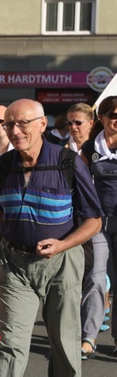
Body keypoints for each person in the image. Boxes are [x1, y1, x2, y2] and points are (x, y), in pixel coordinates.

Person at [0, 100, 102, 377]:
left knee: (64, 346)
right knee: (11, 347)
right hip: (14, 264)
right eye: (9, 125)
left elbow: (93, 221)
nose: (15, 131)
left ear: (42, 124)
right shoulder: (3, 165)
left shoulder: (68, 162)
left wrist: (62, 243)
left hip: (62, 264)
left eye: (23, 123)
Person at [78, 97, 117, 360]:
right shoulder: (90, 146)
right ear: (101, 117)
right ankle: (89, 337)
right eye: (113, 114)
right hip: (98, 222)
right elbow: (76, 180)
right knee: (95, 277)